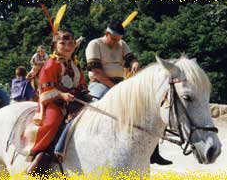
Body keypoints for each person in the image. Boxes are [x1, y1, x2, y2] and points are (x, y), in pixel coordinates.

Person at [85, 20, 172, 165]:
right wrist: (114, 88)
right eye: (113, 39)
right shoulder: (94, 44)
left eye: (118, 40)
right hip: (100, 83)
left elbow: (131, 58)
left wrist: (135, 63)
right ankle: (92, 145)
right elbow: (96, 71)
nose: (116, 43)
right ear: (107, 34)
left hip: (120, 83)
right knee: (97, 107)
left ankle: (153, 153)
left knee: (145, 109)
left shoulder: (121, 44)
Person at [26, 30, 88, 174]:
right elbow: (46, 88)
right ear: (55, 45)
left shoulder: (75, 63)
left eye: (71, 43)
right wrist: (62, 95)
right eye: (63, 43)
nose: (68, 46)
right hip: (55, 102)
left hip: (75, 100)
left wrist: (84, 94)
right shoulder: (50, 64)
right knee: (52, 122)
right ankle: (40, 155)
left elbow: (82, 83)